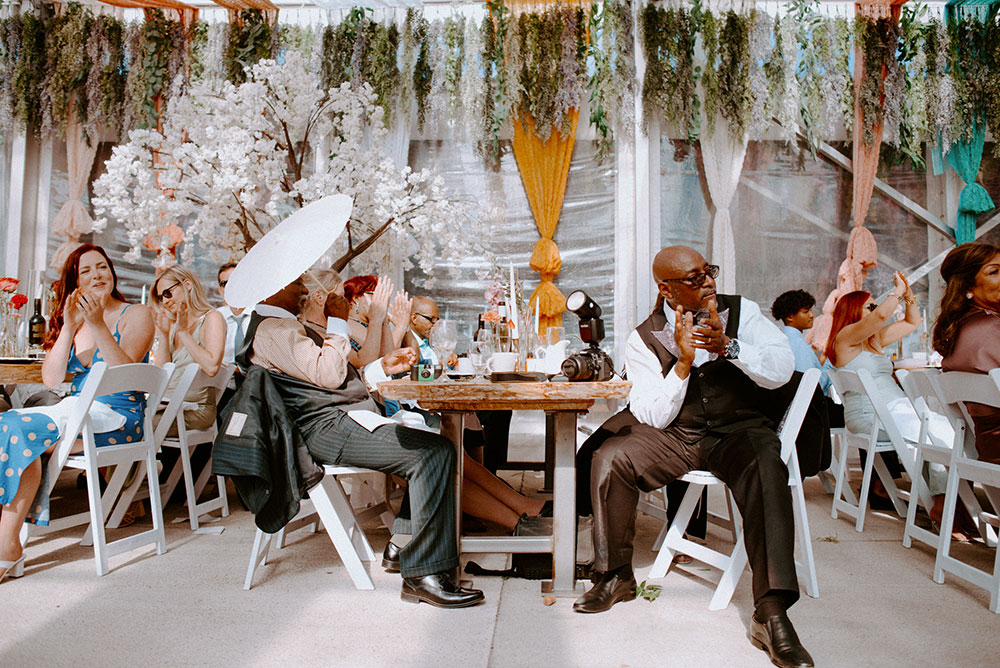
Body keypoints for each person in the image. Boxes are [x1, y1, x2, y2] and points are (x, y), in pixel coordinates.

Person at [574, 246, 814, 668]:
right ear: (666, 289)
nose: (708, 282)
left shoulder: (744, 312)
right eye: (695, 277)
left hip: (738, 431)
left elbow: (781, 369)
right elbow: (650, 414)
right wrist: (683, 363)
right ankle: (614, 576)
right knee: (611, 456)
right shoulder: (643, 336)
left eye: (709, 272)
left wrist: (730, 347)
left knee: (765, 463)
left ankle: (771, 612)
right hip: (677, 436)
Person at [235, 274, 484, 608]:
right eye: (297, 286)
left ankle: (403, 545)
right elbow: (329, 375)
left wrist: (379, 367)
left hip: (333, 420)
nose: (304, 293)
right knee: (431, 453)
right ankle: (423, 575)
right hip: (323, 430)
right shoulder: (273, 330)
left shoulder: (280, 326)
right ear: (276, 287)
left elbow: (321, 384)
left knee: (430, 443)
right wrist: (338, 320)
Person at [0, 245, 154, 582]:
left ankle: (8, 546)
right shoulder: (80, 322)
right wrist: (70, 325)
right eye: (86, 271)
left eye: (102, 267)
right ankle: (6, 539)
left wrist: (98, 323)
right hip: (76, 410)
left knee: (15, 428)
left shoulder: (137, 313)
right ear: (76, 281)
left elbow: (123, 372)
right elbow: (53, 379)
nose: (97, 275)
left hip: (118, 416)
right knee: (10, 428)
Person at [826, 277, 953, 522]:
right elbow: (881, 317)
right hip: (871, 415)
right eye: (869, 306)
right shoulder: (845, 337)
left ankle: (945, 499)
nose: (875, 310)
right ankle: (943, 503)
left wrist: (909, 296)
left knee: (942, 429)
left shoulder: (872, 340)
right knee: (929, 430)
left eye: (875, 306)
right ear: (853, 311)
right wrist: (896, 291)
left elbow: (912, 322)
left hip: (894, 410)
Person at [934, 242, 1000, 464]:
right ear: (967, 287)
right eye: (995, 271)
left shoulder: (960, 329)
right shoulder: (991, 328)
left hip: (988, 447)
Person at [150, 265, 226, 432]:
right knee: (127, 417)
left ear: (187, 285)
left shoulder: (212, 318)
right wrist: (163, 334)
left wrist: (183, 333)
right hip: (166, 405)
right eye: (160, 298)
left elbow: (212, 367)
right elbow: (161, 374)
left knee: (133, 425)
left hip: (196, 409)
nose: (165, 301)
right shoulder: (173, 326)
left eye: (167, 293)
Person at [344, 275, 410, 368]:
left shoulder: (374, 323)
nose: (382, 300)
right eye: (376, 295)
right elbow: (365, 364)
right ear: (356, 299)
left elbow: (387, 358)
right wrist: (377, 319)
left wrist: (386, 320)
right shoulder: (346, 325)